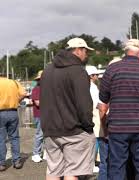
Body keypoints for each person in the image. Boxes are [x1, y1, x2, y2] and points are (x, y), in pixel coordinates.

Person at [99, 39, 139, 180]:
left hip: (118, 126)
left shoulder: (112, 69)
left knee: (117, 165)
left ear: (125, 51)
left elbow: (103, 97)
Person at [40, 37, 96, 180]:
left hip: (50, 129)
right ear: (78, 50)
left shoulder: (47, 70)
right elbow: (84, 104)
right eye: (85, 51)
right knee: (72, 172)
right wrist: (89, 126)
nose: (86, 55)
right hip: (73, 130)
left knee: (53, 171)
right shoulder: (78, 71)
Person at [85, 65, 108, 180]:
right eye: (96, 75)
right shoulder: (93, 88)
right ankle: (92, 164)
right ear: (91, 76)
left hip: (90, 118)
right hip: (96, 117)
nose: (97, 77)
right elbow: (97, 105)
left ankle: (91, 164)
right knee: (97, 142)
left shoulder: (85, 87)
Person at [0, 76, 26, 171]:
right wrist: (17, 100)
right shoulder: (14, 82)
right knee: (14, 137)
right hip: (13, 112)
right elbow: (23, 94)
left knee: (1, 139)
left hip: (0, 113)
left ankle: (1, 163)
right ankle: (17, 161)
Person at [31, 70, 44, 163]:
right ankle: (36, 153)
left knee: (48, 135)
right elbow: (37, 103)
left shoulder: (48, 89)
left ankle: (44, 153)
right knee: (39, 135)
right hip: (39, 115)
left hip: (47, 114)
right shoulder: (36, 89)